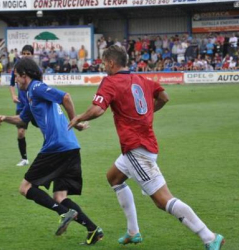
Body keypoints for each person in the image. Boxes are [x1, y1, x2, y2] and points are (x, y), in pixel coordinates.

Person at [68, 45, 224, 250]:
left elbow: (98, 110)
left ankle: (209, 236)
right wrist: (148, 114)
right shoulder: (142, 80)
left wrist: (79, 116)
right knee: (113, 177)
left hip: (136, 149)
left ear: (111, 63)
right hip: (145, 144)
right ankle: (133, 232)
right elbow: (164, 97)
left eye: (104, 62)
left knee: (162, 200)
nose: (104, 66)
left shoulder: (111, 81)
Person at [0, 57, 104, 245]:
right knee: (60, 197)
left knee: (25, 187)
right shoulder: (30, 95)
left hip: (56, 148)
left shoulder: (36, 87)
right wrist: (4, 118)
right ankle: (93, 230)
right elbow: (22, 119)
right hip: (71, 147)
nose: (15, 81)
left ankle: (63, 214)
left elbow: (65, 97)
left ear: (24, 75)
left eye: (16, 77)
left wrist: (75, 119)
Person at [9, 45, 38, 166]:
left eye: (28, 53)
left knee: (46, 129)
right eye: (24, 53)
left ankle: (54, 152)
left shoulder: (36, 69)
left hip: (34, 105)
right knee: (20, 132)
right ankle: (24, 159)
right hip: (21, 106)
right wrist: (13, 95)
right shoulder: (17, 68)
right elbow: (11, 83)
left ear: (32, 54)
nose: (26, 56)